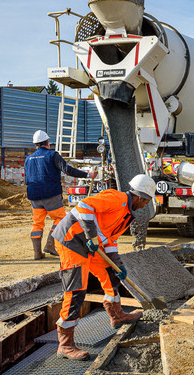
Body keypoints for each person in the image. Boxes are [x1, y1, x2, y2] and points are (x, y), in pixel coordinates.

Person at [52, 174, 156, 360]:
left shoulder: (126, 214)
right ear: (141, 197)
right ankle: (65, 345)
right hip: (72, 241)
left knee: (111, 275)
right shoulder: (117, 198)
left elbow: (110, 241)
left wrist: (118, 265)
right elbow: (84, 206)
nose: (145, 206)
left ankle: (117, 316)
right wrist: (91, 237)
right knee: (76, 292)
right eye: (147, 202)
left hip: (91, 246)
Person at [24, 130, 97, 260]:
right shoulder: (52, 155)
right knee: (61, 219)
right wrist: (88, 175)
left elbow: (28, 178)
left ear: (35, 144)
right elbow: (67, 170)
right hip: (50, 193)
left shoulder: (28, 159)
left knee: (37, 223)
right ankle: (50, 245)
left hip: (34, 195)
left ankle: (37, 253)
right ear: (47, 143)